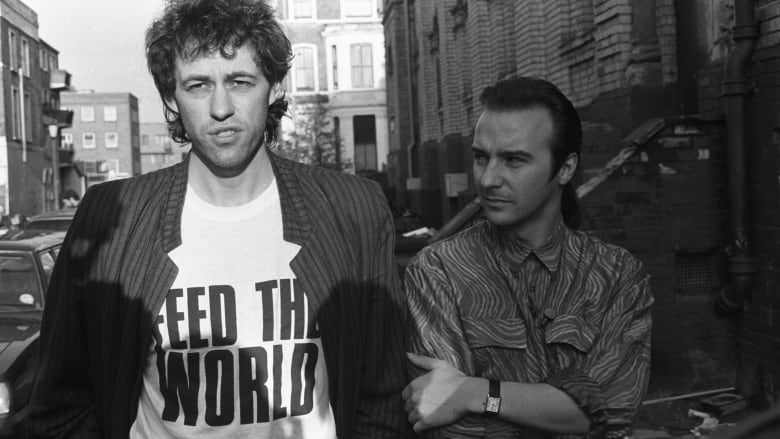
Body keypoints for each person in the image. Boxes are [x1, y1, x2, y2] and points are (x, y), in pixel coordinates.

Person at [25, 1, 408, 438]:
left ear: (274, 87)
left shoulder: (352, 211)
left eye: (240, 81)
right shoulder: (112, 219)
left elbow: (384, 400)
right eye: (198, 85)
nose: (220, 107)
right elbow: (60, 407)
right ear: (172, 97)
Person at [402, 76, 654, 438]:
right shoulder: (438, 270)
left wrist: (477, 392)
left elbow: (611, 412)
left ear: (565, 168)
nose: (488, 179)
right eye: (480, 157)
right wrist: (562, 408)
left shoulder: (616, 275)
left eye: (514, 160)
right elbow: (449, 422)